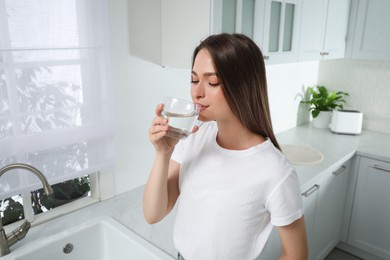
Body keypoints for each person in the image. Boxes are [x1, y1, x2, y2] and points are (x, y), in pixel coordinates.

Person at [144, 33, 308, 260]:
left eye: (212, 82)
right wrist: (163, 153)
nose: (196, 92)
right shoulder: (193, 137)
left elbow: (296, 254)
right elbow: (153, 214)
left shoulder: (276, 172)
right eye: (194, 79)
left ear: (243, 86)